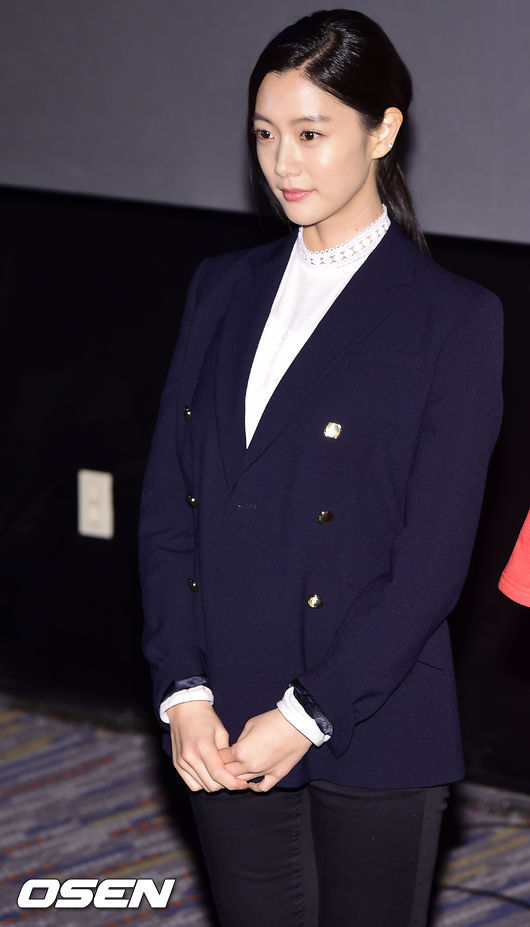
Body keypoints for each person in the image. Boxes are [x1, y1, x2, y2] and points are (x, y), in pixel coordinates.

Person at [138, 10, 503, 926]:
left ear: (383, 131)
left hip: (374, 711)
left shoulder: (453, 318)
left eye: (311, 133)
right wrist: (183, 689)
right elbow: (171, 509)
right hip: (225, 710)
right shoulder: (220, 287)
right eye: (265, 134)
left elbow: (432, 564)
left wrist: (307, 713)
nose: (282, 162)